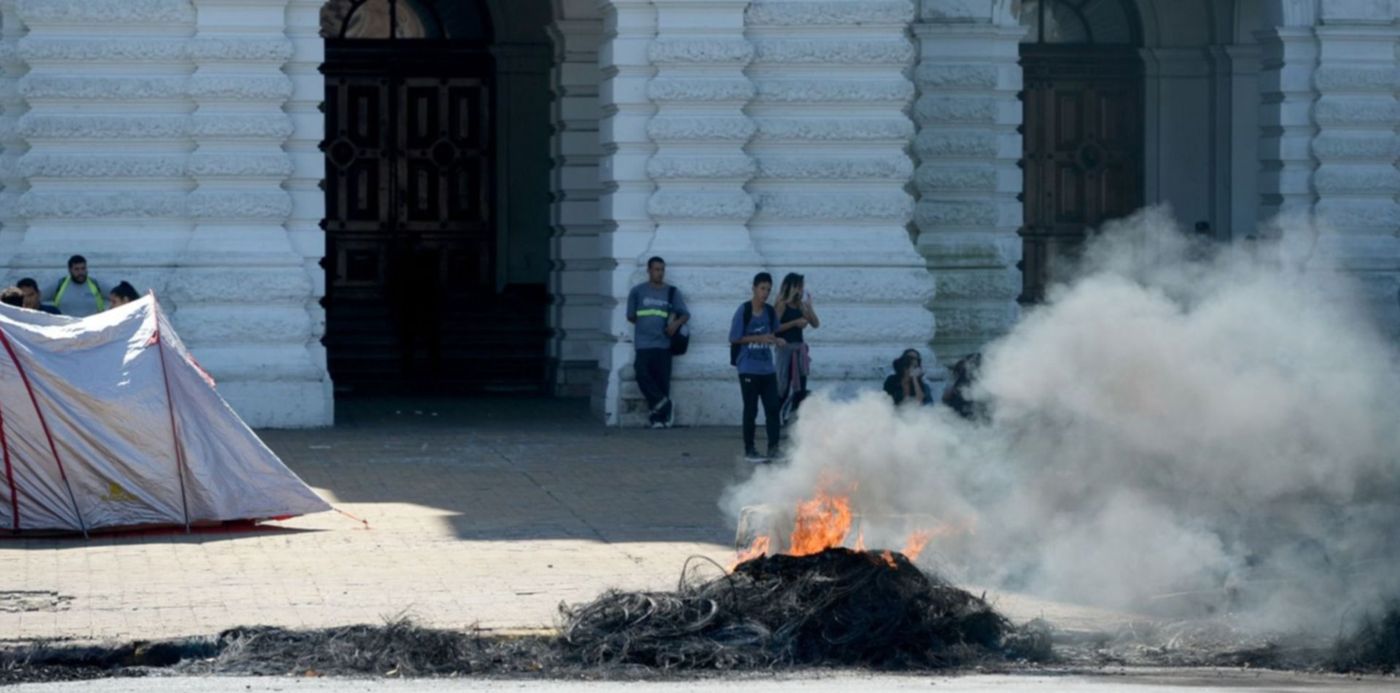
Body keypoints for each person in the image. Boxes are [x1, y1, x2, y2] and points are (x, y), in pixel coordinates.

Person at [626, 256, 690, 428]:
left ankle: (659, 419)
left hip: (663, 344)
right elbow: (631, 316)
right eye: (656, 269)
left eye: (662, 270)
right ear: (648, 271)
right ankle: (664, 403)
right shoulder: (637, 291)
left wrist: (675, 323)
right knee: (641, 374)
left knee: (661, 381)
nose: (659, 273)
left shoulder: (671, 292)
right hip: (643, 344)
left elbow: (684, 314)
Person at [729, 272, 784, 462]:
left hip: (767, 368)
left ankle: (774, 448)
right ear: (753, 288)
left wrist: (777, 340)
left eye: (768, 289)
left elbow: (773, 332)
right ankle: (749, 449)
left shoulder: (769, 312)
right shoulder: (743, 310)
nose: (765, 293)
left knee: (772, 408)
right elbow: (734, 338)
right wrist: (758, 338)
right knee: (751, 409)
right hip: (748, 368)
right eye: (762, 288)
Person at [773, 273, 819, 425]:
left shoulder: (800, 305)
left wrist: (809, 307)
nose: (801, 289)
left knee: (800, 386)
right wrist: (794, 323)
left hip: (799, 349)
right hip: (785, 349)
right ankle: (774, 419)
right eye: (798, 286)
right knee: (783, 386)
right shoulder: (781, 304)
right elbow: (774, 328)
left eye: (802, 286)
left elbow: (815, 324)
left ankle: (792, 419)